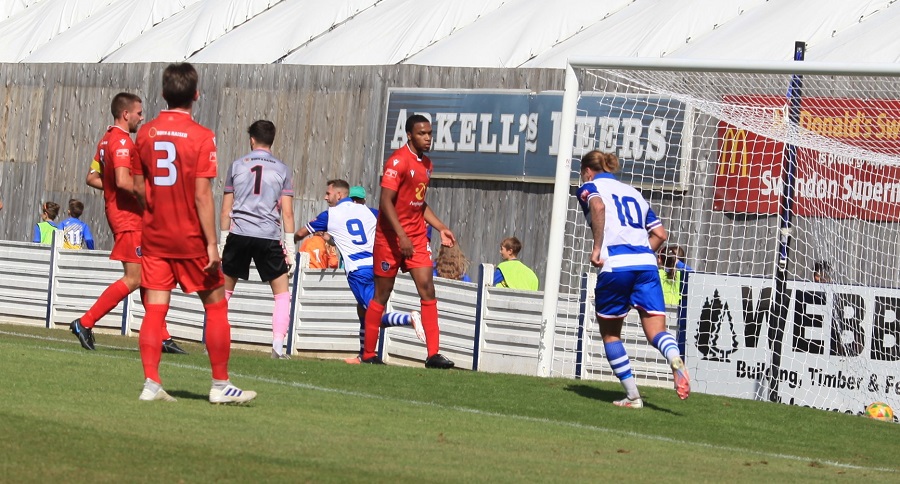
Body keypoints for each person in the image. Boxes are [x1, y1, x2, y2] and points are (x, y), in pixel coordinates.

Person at [133, 62, 255, 403]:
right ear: (196, 95)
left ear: (162, 94)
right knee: (215, 306)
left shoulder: (145, 133)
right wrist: (213, 243)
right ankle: (219, 385)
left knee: (155, 310)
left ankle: (151, 383)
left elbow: (139, 186)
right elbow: (203, 194)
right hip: (189, 238)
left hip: (155, 236)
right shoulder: (202, 136)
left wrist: (155, 210)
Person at [70, 92, 186, 355]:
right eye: (139, 112)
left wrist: (112, 189)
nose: (141, 117)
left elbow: (92, 177)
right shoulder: (122, 142)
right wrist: (150, 194)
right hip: (129, 218)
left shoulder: (105, 140)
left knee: (147, 276)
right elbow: (123, 181)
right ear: (126, 114)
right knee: (135, 278)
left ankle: (162, 336)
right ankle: (85, 322)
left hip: (125, 216)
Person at [576, 149, 690, 408]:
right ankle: (677, 363)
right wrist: (640, 254)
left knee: (611, 334)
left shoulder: (588, 187)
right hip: (646, 265)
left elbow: (598, 205)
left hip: (615, 266)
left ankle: (633, 395)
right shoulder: (634, 193)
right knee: (657, 332)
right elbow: (660, 234)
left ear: (587, 171)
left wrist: (596, 248)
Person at [295, 179, 426, 364]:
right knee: (363, 311)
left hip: (358, 270)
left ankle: (408, 318)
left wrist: (288, 242)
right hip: (377, 266)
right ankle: (364, 355)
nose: (325, 197)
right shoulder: (369, 212)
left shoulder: (330, 215)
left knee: (375, 316)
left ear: (339, 195)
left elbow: (301, 233)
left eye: (328, 193)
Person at [362, 114, 456, 369]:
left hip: (414, 236)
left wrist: (441, 227)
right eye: (422, 133)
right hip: (390, 238)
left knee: (427, 288)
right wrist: (400, 236)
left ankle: (433, 355)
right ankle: (369, 354)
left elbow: (418, 202)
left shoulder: (427, 165)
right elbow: (385, 202)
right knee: (382, 293)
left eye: (429, 133)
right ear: (410, 135)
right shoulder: (397, 161)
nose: (428, 138)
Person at [219, 120, 295, 360]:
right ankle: (277, 346)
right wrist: (290, 248)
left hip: (239, 234)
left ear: (252, 139)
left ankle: (216, 341)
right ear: (272, 140)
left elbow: (225, 210)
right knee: (282, 294)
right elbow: (288, 212)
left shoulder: (237, 165)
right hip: (268, 236)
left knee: (224, 292)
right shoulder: (282, 169)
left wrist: (222, 242)